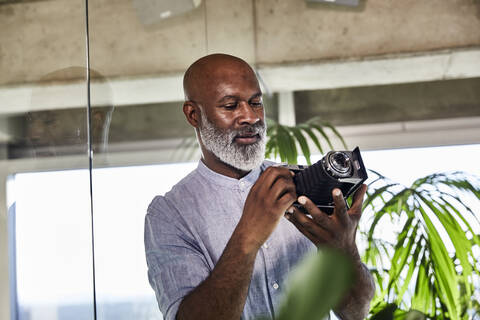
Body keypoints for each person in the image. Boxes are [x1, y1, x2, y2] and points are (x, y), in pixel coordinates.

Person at [144, 53, 375, 320]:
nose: (250, 117)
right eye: (230, 106)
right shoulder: (170, 214)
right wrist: (248, 236)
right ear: (193, 114)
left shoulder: (301, 186)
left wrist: (344, 250)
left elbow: (356, 312)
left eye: (256, 103)